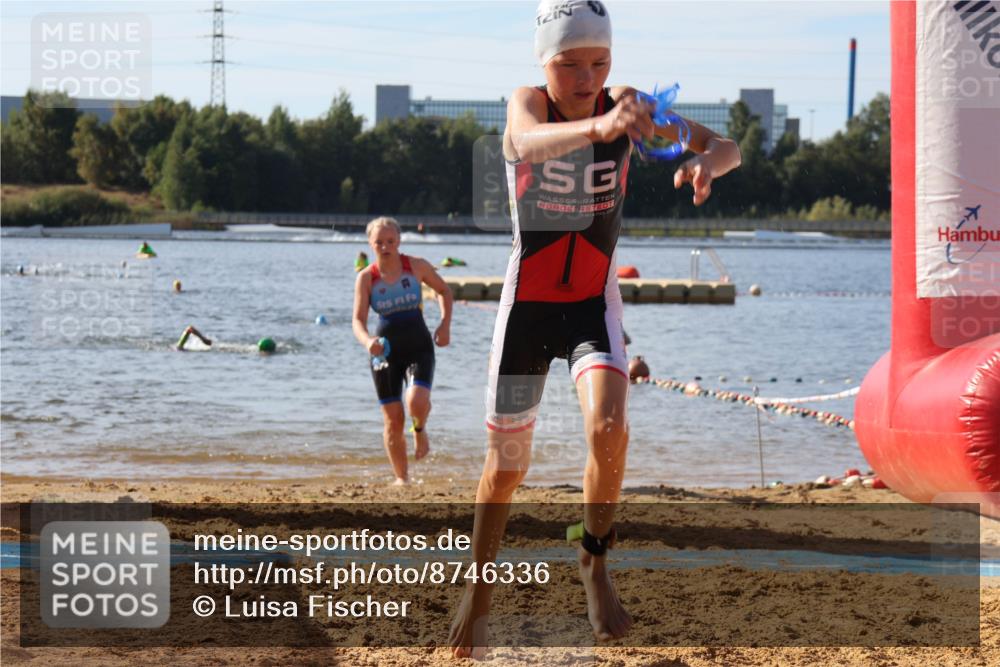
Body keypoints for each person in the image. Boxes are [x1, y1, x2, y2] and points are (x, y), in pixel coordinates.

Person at [449, 0, 741, 657]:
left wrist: (706, 165)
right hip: (526, 306)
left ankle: (595, 559)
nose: (586, 77)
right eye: (569, 64)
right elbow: (523, 143)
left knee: (609, 426)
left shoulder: (629, 105)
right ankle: (479, 585)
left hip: (590, 303)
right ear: (543, 63)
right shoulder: (528, 103)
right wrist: (605, 125)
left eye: (599, 62)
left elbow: (728, 146)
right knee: (505, 468)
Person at [352, 216, 453, 485]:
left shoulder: (416, 267)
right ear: (370, 244)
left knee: (415, 402)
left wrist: (444, 324)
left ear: (398, 241)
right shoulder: (366, 278)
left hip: (418, 345)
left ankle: (419, 429)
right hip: (384, 352)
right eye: (379, 242)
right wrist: (367, 342)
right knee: (392, 419)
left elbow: (444, 291)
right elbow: (358, 320)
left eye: (390, 241)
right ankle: (402, 478)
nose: (385, 246)